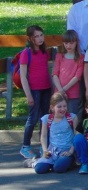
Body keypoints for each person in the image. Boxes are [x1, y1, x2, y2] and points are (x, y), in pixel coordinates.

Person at [19, 25, 54, 160]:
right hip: (34, 90)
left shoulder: (45, 52)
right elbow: (23, 76)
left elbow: (46, 70)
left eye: (41, 35)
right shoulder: (26, 53)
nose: (39, 39)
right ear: (30, 39)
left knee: (44, 118)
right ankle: (25, 146)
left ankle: (43, 144)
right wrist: (28, 95)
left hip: (46, 88)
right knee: (33, 118)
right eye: (36, 37)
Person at [31, 93, 78, 174]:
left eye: (64, 106)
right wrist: (45, 150)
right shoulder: (47, 118)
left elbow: (76, 136)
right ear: (52, 107)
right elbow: (44, 136)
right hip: (52, 151)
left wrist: (71, 151)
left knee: (58, 168)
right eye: (59, 107)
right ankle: (35, 162)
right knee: (39, 169)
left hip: (66, 151)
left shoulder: (72, 117)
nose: (62, 109)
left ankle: (68, 162)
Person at [52, 30, 84, 117]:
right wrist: (60, 90)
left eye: (71, 43)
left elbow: (77, 76)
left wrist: (63, 89)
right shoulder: (59, 56)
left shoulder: (81, 58)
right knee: (58, 116)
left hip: (73, 93)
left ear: (76, 42)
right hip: (59, 92)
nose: (68, 46)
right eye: (66, 43)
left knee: (73, 116)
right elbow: (55, 74)